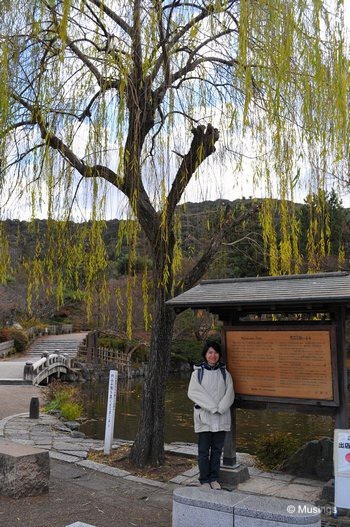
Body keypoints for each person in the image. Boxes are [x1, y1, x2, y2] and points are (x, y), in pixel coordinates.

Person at [187, 340, 234, 490]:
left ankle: (214, 478)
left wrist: (221, 407)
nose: (213, 355)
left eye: (215, 352)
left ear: (219, 355)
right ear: (205, 354)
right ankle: (204, 480)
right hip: (204, 418)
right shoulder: (197, 373)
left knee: (217, 450)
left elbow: (230, 393)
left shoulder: (224, 373)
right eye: (210, 352)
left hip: (221, 416)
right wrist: (213, 407)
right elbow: (194, 393)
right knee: (203, 450)